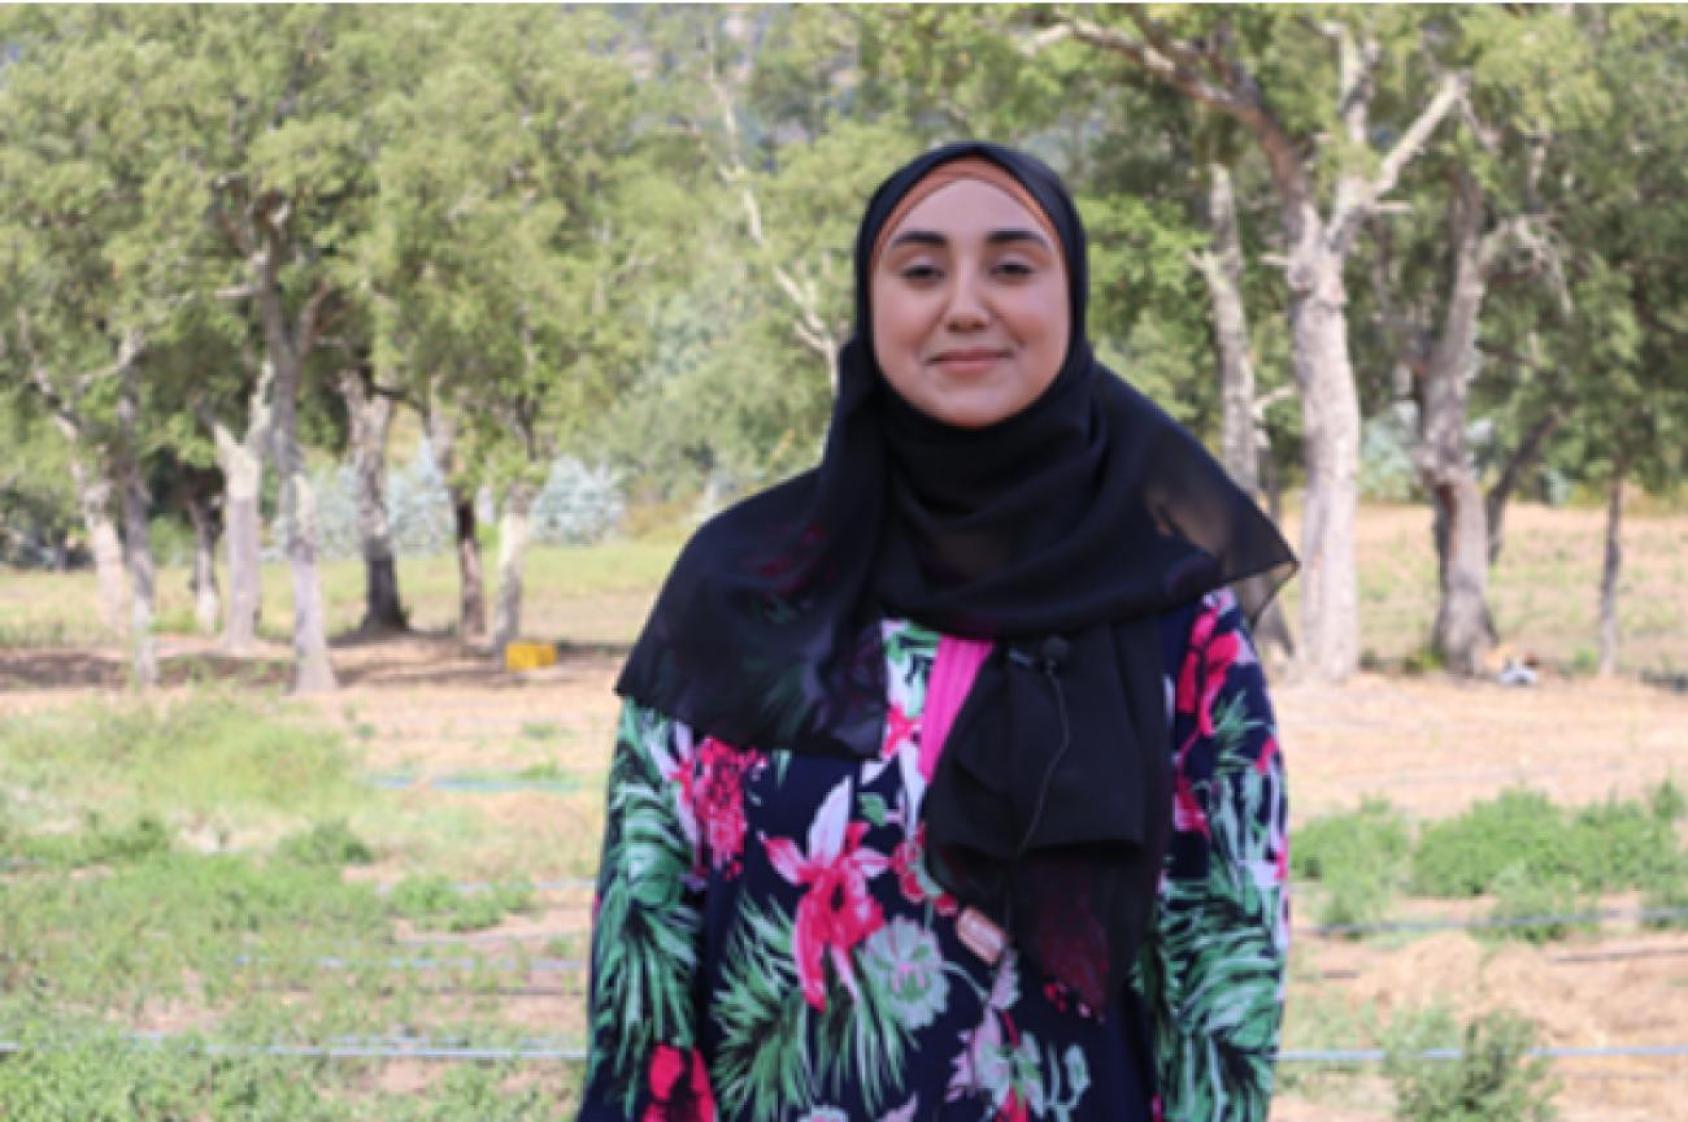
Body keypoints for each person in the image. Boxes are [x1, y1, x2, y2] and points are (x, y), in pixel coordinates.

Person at [579, 141, 1296, 1122]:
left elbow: (1224, 978)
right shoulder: (742, 588)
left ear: (1070, 299)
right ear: (870, 304)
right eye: (920, 271)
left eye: (1012, 267)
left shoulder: (1173, 614)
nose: (965, 306)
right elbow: (643, 954)